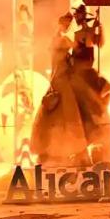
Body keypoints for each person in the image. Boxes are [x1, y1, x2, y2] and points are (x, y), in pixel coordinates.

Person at [31, 13, 89, 166]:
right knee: (69, 115)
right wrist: (84, 28)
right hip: (61, 81)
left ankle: (65, 152)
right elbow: (78, 47)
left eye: (69, 23)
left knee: (63, 116)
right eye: (67, 23)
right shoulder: (61, 40)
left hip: (60, 80)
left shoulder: (57, 39)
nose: (68, 26)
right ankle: (71, 152)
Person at [68, 5, 110, 163]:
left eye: (81, 17)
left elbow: (98, 43)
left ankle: (100, 108)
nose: (79, 20)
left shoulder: (88, 33)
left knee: (104, 92)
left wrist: (99, 29)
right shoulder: (77, 35)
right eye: (78, 18)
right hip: (78, 75)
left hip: (87, 74)